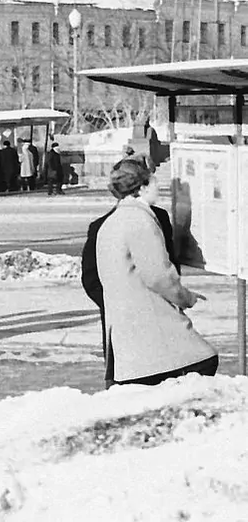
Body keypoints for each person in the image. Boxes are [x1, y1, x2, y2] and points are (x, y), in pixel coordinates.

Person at [93, 158, 216, 387]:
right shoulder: (140, 220)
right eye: (154, 183)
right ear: (142, 186)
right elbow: (158, 275)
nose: (158, 189)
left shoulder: (111, 223)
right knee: (204, 361)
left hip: (128, 330)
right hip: (151, 328)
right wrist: (186, 297)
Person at [82, 160, 178, 388]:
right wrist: (120, 302)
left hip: (160, 317)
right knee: (125, 389)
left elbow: (168, 264)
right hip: (124, 321)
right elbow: (91, 279)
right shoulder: (101, 226)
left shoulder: (159, 218)